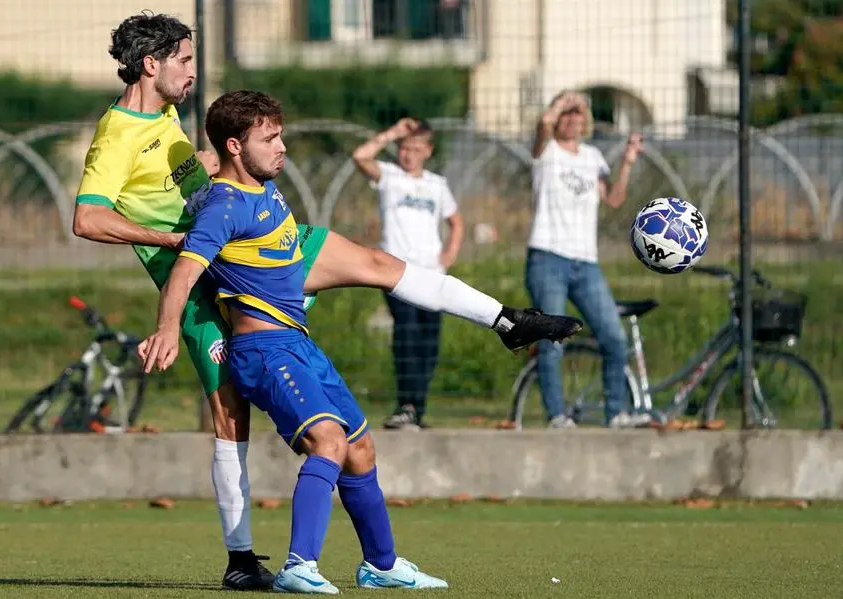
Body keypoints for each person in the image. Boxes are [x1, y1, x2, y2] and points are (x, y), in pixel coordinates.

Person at [72, 12, 583, 591]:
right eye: (185, 61)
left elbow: (194, 183)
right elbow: (88, 218)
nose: (192, 71)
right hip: (197, 280)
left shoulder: (167, 114)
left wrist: (234, 170)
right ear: (152, 64)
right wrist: (171, 240)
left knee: (375, 263)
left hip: (249, 241)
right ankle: (243, 562)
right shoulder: (117, 134)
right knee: (229, 416)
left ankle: (505, 318)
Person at [138, 89, 449, 594]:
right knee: (328, 440)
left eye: (281, 134)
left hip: (299, 344)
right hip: (263, 353)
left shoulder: (266, 190)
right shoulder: (224, 206)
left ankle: (382, 565)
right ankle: (298, 566)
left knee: (361, 448)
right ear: (235, 147)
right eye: (271, 137)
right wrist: (169, 329)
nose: (283, 146)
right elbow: (182, 275)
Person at [526, 90, 647, 429]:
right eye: (567, 112)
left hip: (585, 262)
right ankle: (556, 415)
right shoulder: (545, 151)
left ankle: (616, 412)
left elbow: (614, 199)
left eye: (578, 113)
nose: (572, 118)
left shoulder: (592, 156)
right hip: (548, 257)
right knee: (552, 338)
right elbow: (544, 125)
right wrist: (562, 101)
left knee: (613, 336)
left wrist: (627, 162)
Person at [352, 118, 460, 430]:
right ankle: (405, 404)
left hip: (432, 274)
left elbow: (456, 221)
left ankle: (417, 408)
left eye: (414, 148)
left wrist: (449, 254)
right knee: (407, 335)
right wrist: (392, 132)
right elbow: (361, 157)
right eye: (403, 148)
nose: (407, 154)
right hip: (397, 273)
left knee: (429, 342)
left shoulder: (437, 185)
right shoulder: (390, 176)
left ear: (428, 150)